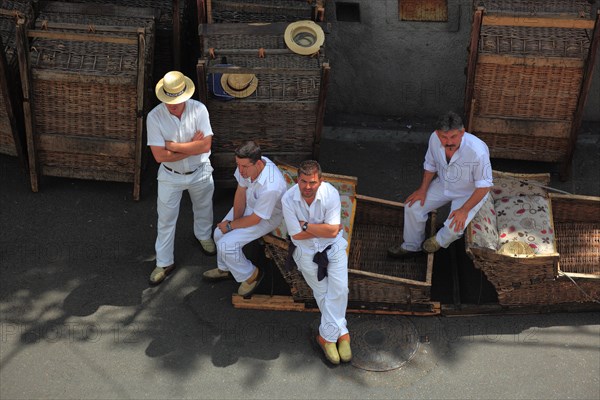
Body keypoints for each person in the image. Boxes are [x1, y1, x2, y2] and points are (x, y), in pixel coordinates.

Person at [388, 111, 493, 257]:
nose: (449, 141)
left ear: (462, 132)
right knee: (412, 207)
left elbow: (484, 186)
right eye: (444, 137)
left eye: (453, 136)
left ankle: (437, 241)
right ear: (438, 134)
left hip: (469, 193)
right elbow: (430, 165)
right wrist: (422, 189)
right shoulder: (434, 138)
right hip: (443, 183)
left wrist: (464, 210)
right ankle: (411, 246)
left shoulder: (477, 151)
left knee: (453, 230)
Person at [146, 71, 217, 285]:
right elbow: (159, 156)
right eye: (168, 101)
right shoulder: (154, 116)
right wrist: (192, 148)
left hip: (200, 170)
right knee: (166, 219)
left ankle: (204, 236)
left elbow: (206, 145)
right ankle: (164, 261)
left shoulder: (199, 109)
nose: (172, 106)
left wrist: (174, 147)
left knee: (204, 207)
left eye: (175, 101)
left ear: (185, 96)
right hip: (170, 175)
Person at [281, 160, 351, 365]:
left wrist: (306, 226)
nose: (307, 187)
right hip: (305, 251)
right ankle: (342, 333)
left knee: (341, 290)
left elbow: (333, 231)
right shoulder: (288, 199)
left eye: (312, 182)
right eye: (303, 181)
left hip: (333, 247)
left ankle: (326, 337)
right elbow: (295, 235)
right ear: (298, 180)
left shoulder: (331, 193)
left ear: (321, 180)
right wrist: (318, 228)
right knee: (322, 292)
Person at [203, 141, 286, 297]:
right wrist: (234, 223)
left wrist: (231, 226)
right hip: (252, 204)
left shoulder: (271, 187)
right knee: (218, 235)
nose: (240, 170)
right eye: (237, 165)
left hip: (266, 216)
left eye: (244, 167)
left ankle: (251, 275)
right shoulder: (247, 164)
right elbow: (241, 192)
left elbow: (255, 219)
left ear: (259, 163)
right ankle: (226, 269)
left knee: (226, 245)